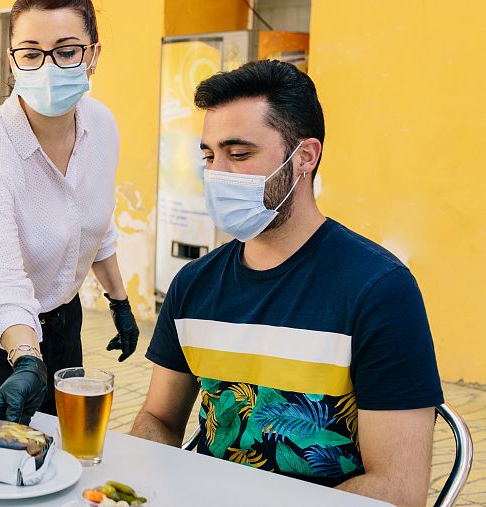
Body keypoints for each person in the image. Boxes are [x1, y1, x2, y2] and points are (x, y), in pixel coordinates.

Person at [131, 60, 442, 507]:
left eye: (239, 154)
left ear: (305, 157)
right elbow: (159, 418)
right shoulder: (194, 285)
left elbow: (397, 489)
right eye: (208, 156)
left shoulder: (379, 290)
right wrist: (137, 481)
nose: (217, 174)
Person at [0, 0, 138, 425]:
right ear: (13, 60)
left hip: (59, 316)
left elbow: (94, 224)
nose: (48, 67)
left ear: (93, 55)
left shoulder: (103, 127)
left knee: (56, 447)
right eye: (31, 52)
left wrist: (120, 303)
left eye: (66, 50)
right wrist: (26, 360)